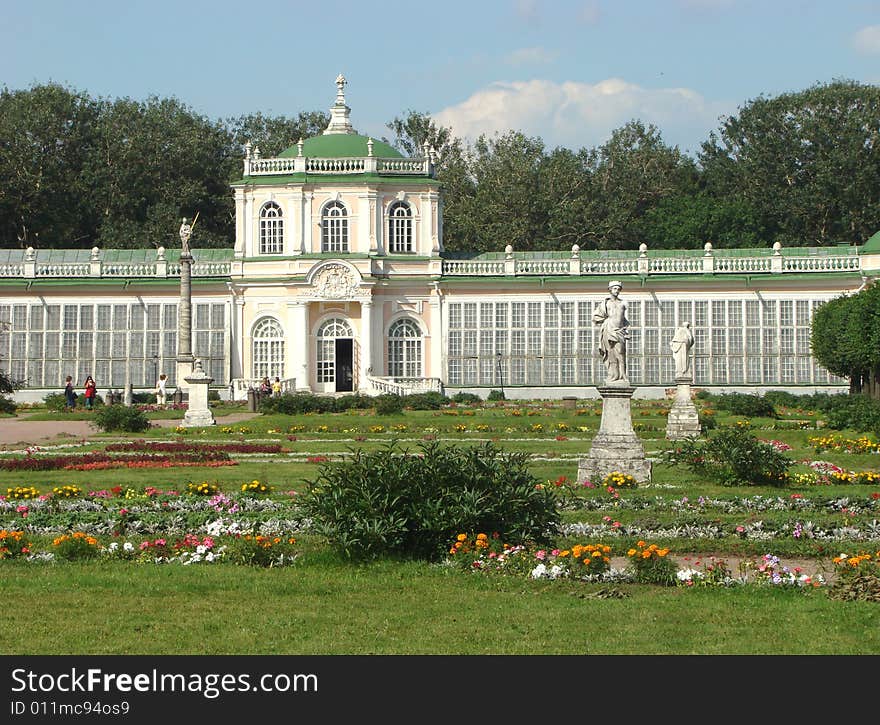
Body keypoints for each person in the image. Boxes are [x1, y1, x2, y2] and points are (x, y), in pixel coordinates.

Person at [592, 280, 629, 384]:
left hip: (619, 331)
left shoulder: (623, 303)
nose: (616, 291)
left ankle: (623, 375)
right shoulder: (605, 303)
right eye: (614, 288)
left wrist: (626, 329)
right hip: (608, 329)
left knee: (621, 353)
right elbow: (595, 317)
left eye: (618, 289)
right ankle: (613, 375)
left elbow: (623, 319)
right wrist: (605, 321)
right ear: (610, 290)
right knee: (611, 353)